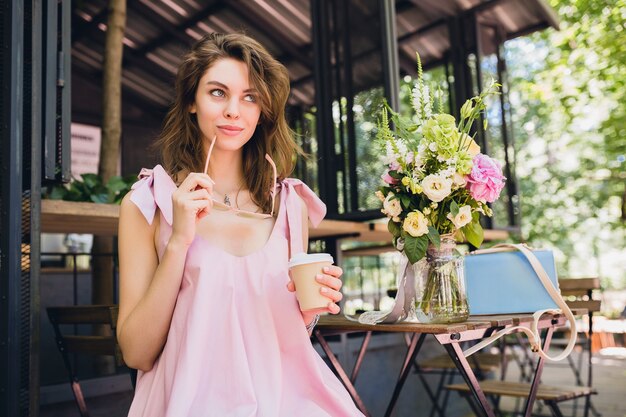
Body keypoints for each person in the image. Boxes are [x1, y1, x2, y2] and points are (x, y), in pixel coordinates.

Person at [117, 32, 364, 417]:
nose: (235, 110)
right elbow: (136, 352)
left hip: (286, 400)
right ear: (191, 103)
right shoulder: (147, 203)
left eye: (250, 97)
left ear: (262, 111)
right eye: (218, 92)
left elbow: (285, 336)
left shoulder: (290, 204)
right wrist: (180, 241)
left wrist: (310, 307)